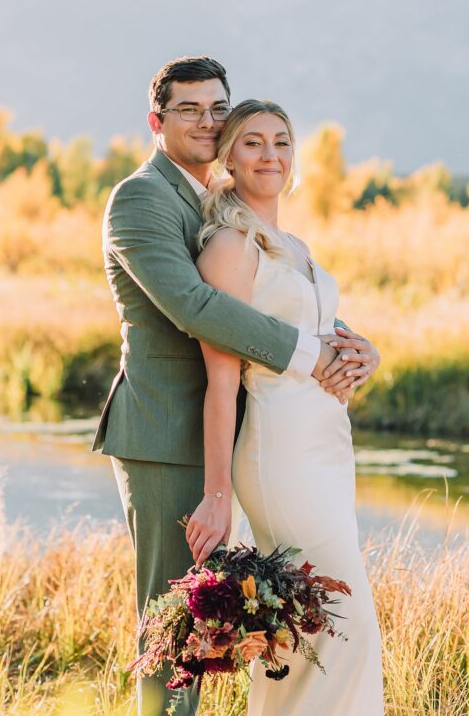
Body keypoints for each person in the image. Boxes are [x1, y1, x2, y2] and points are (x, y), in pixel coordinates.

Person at [92, 56, 381, 716]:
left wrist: (352, 344)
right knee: (173, 629)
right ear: (156, 121)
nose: (206, 120)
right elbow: (197, 306)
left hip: (256, 434)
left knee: (243, 624)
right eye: (189, 109)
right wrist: (310, 356)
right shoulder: (140, 198)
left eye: (217, 108)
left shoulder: (220, 201)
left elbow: (269, 295)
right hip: (167, 433)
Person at [185, 98, 385, 715]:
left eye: (281, 141)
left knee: (312, 627)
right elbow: (221, 382)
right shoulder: (229, 248)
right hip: (281, 451)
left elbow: (316, 330)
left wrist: (365, 352)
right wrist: (217, 495)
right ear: (229, 157)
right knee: (344, 622)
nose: (270, 154)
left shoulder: (294, 244)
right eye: (253, 142)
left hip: (328, 445)